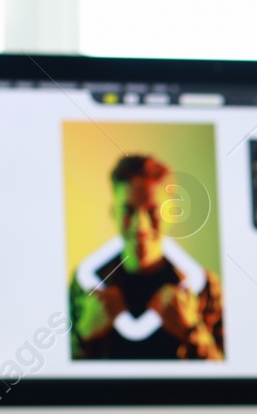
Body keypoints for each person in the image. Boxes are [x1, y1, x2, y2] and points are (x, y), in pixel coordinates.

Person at [71, 154, 224, 360]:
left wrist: (191, 333)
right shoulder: (86, 284)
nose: (140, 225)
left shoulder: (204, 287)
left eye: (152, 211)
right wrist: (83, 334)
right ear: (113, 213)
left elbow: (235, 383)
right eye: (128, 210)